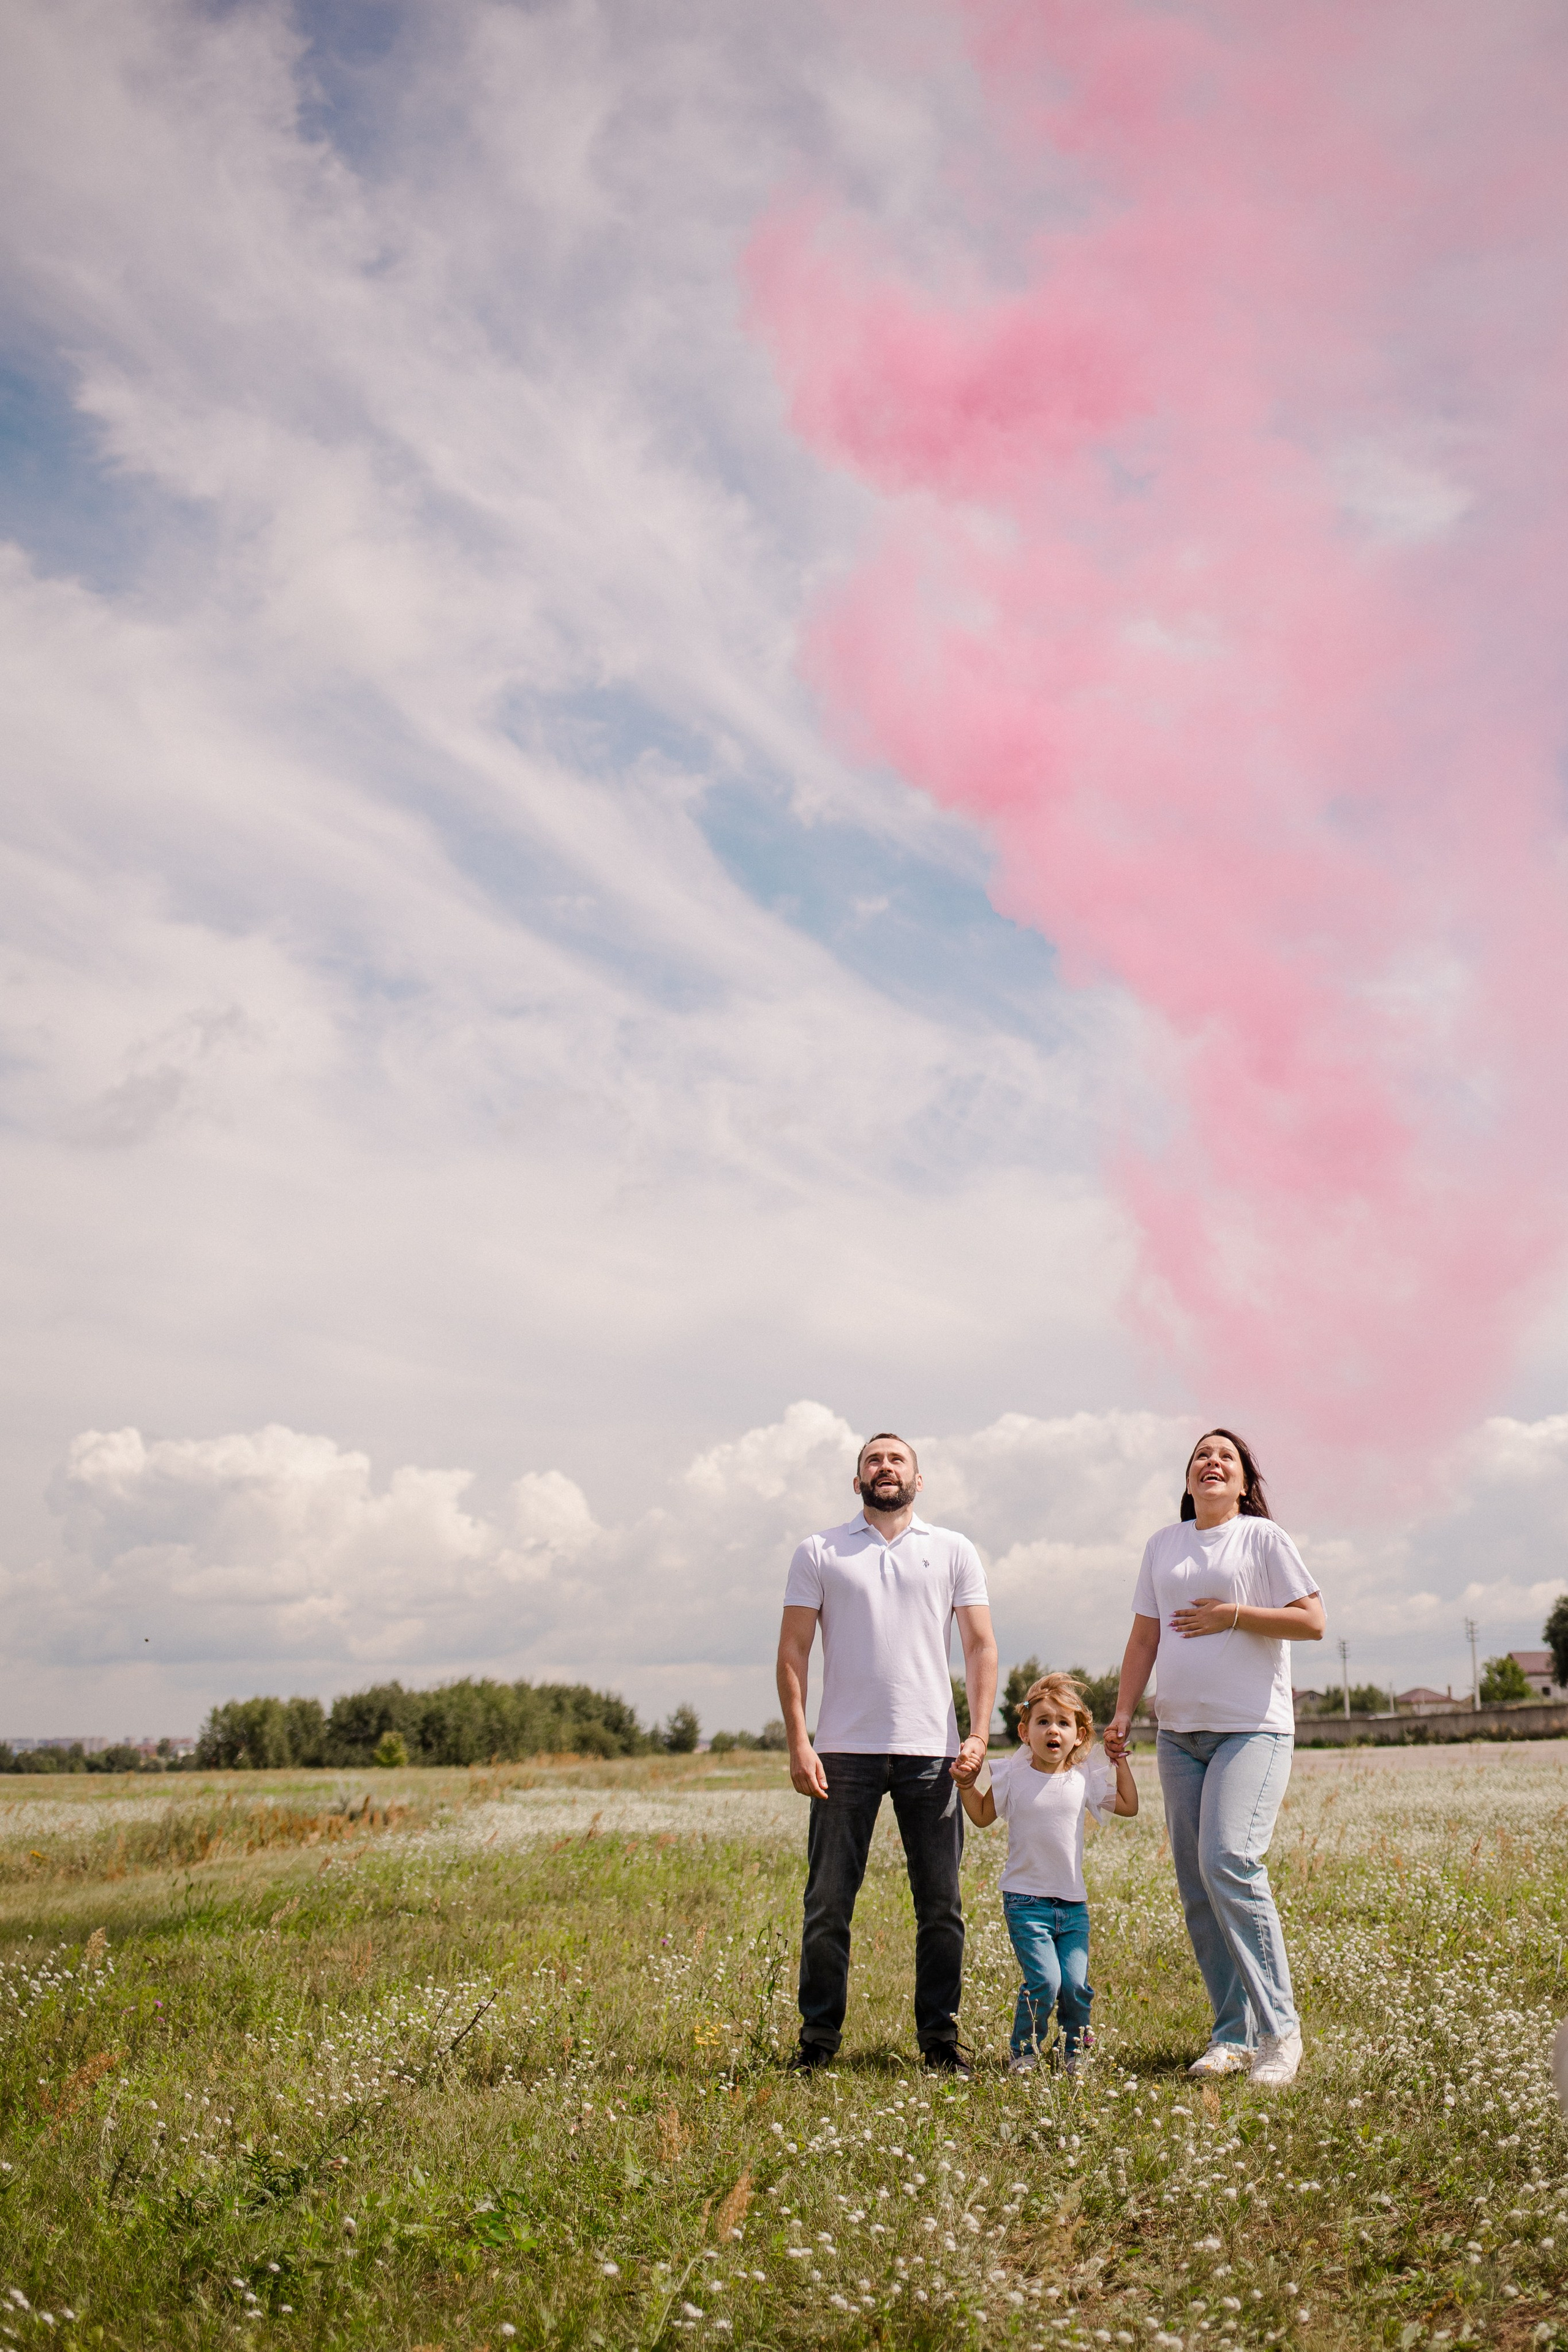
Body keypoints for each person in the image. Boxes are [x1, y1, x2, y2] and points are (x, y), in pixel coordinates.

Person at [1105, 1428, 1325, 2089]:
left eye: (1225, 1456)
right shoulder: (1163, 1546)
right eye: (1201, 1454)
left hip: (1250, 1730)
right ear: (1187, 1478)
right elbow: (1143, 1637)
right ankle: (1230, 2036)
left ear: (1242, 1480)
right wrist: (1121, 1713)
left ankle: (1279, 2035)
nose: (1211, 1462)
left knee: (1227, 1860)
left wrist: (1233, 1614)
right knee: (1198, 1887)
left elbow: (1312, 1621)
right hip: (1178, 1736)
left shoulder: (1262, 1539)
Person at [776, 1431, 998, 2077]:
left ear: (917, 1480)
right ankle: (817, 2042)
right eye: (873, 1460)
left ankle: (938, 2041)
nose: (884, 1467)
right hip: (842, 1751)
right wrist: (799, 1741)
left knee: (941, 1906)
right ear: (857, 1482)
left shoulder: (953, 1550)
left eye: (896, 1459)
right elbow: (793, 1651)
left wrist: (977, 1735)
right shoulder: (819, 1550)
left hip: (933, 1752)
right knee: (827, 1904)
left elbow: (981, 1646)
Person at [954, 1670, 1137, 2076]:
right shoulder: (1012, 1775)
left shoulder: (1084, 1778)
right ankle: (1025, 2052)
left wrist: (1119, 1760)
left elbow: (1128, 1804)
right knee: (1045, 1983)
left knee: (1075, 1987)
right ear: (1024, 1731)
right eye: (1042, 1721)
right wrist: (967, 1785)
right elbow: (983, 1816)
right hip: (1025, 1901)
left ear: (1078, 1735)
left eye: (1063, 1723)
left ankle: (1075, 2052)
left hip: (1072, 1905)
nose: (1052, 1729)